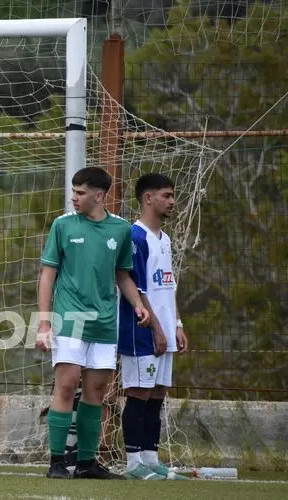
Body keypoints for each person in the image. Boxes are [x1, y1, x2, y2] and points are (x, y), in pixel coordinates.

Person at [36, 166, 150, 480]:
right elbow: (47, 276)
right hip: (70, 318)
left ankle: (86, 463)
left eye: (80, 192)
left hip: (105, 322)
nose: (74, 198)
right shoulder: (62, 225)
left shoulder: (120, 229)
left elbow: (122, 275)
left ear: (99, 196)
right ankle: (57, 462)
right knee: (66, 384)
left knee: (96, 391)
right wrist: (44, 323)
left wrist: (138, 305)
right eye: (73, 191)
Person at [119, 173, 188, 480]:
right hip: (142, 330)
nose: (172, 201)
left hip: (165, 329)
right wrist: (157, 328)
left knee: (157, 393)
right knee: (139, 393)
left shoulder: (166, 239)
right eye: (167, 195)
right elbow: (137, 287)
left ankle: (151, 458)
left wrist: (177, 324)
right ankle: (134, 463)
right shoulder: (135, 237)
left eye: (173, 195)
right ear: (148, 198)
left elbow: (167, 286)